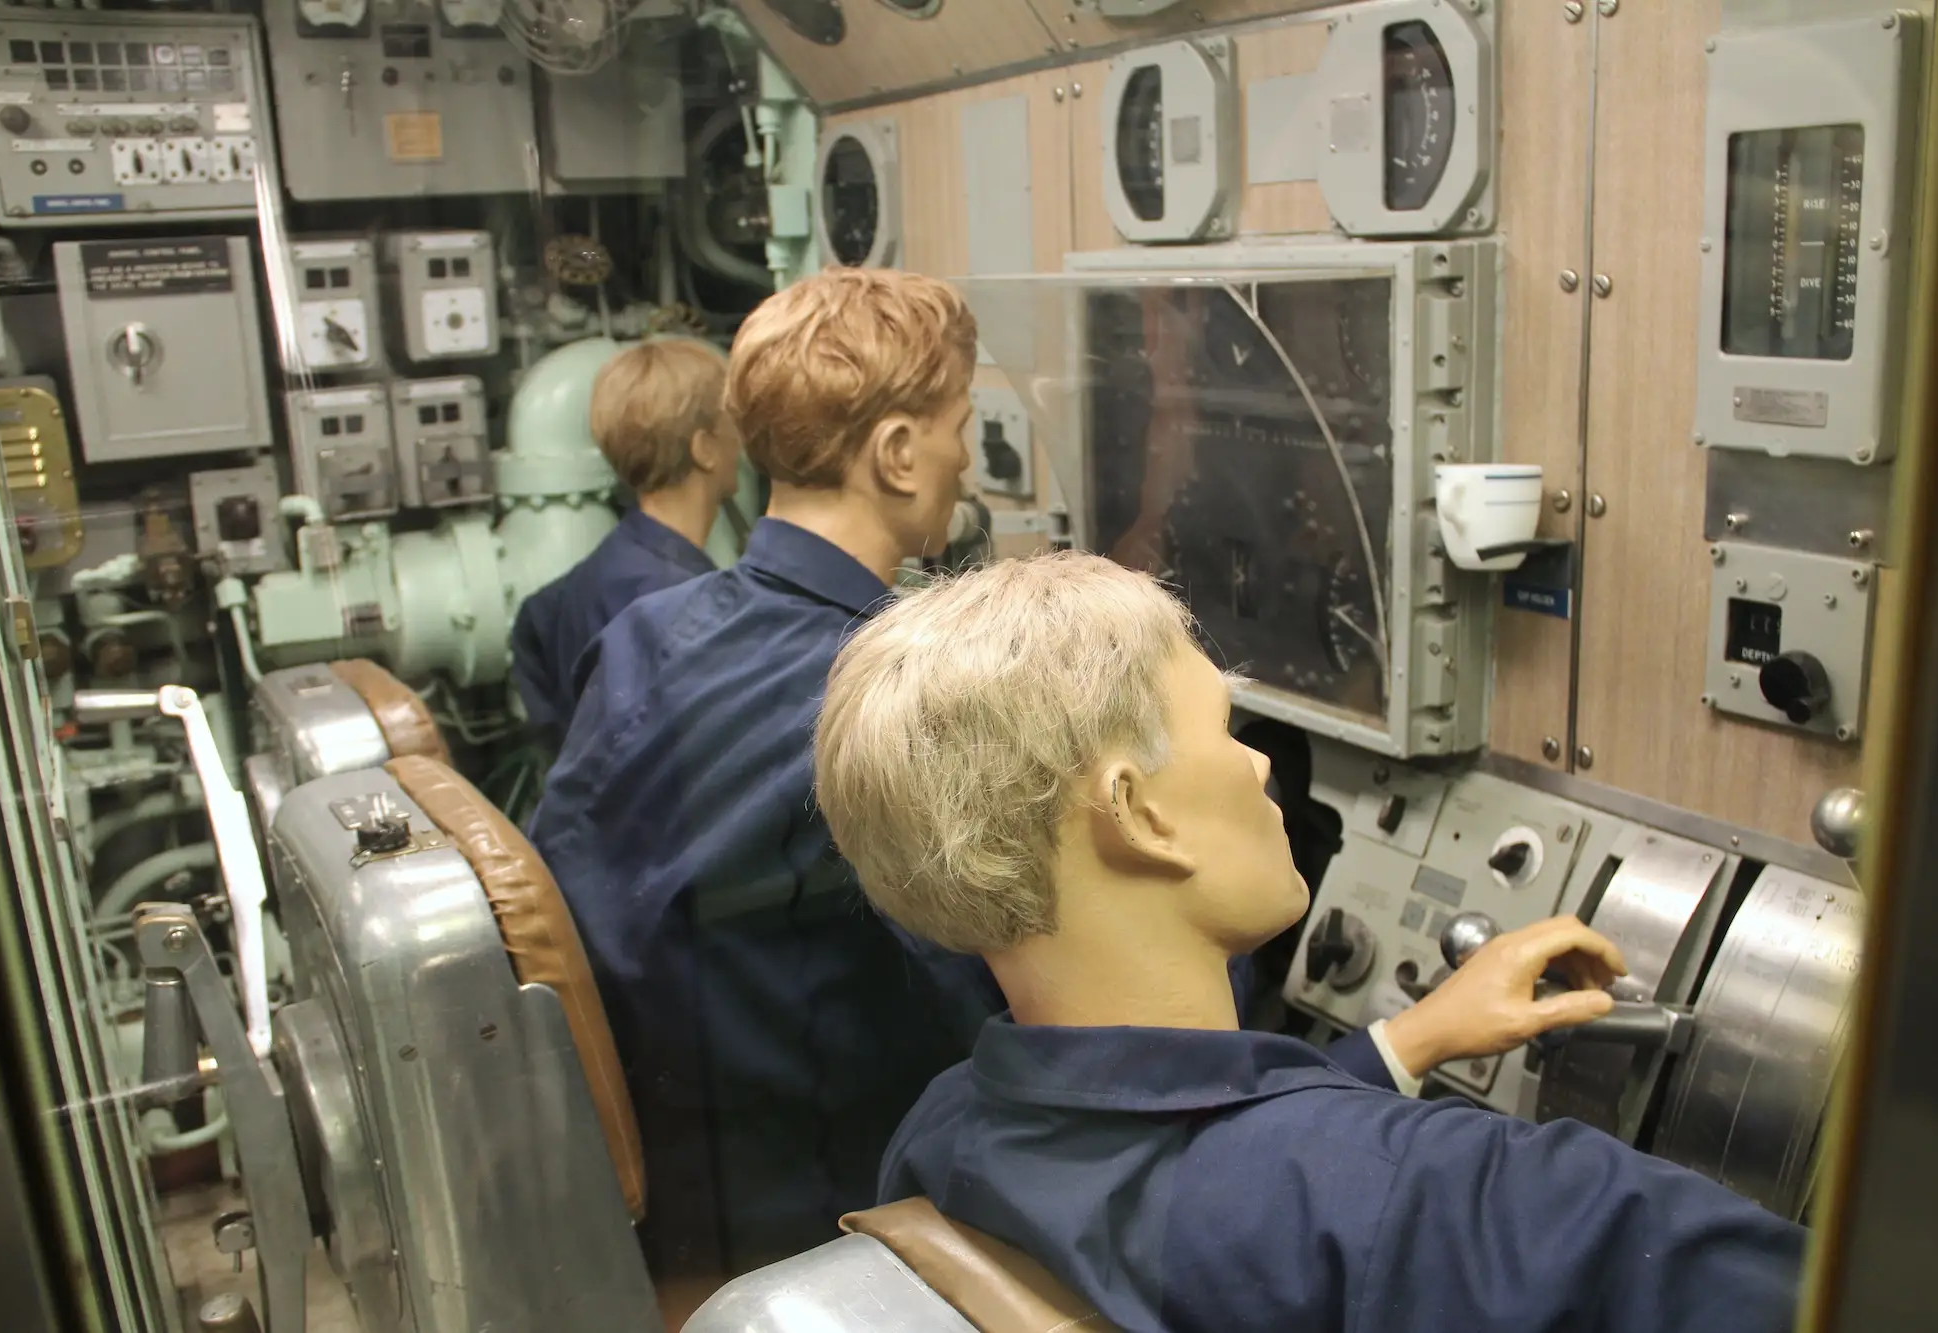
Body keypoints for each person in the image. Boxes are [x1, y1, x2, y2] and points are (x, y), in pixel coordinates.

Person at [813, 552, 1810, 1333]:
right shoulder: (1464, 1199)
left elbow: (1198, 1172)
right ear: (1140, 814)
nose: (1256, 768)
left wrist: (1406, 1041)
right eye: (1224, 728)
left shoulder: (940, 1132)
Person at [526, 268, 1002, 1290]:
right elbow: (1003, 1020)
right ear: (900, 453)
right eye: (962, 424)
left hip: (663, 1209)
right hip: (821, 1230)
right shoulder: (892, 697)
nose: (970, 457)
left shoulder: (642, 635)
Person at [509, 337, 741, 746]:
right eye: (731, 425)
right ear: (705, 448)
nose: (741, 441)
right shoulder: (692, 605)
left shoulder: (576, 587)